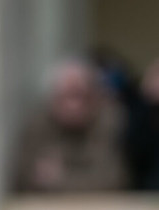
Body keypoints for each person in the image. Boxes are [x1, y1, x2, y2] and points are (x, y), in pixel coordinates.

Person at [13, 57, 128, 194]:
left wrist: (59, 181)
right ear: (53, 98)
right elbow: (25, 180)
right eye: (66, 96)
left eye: (79, 95)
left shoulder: (111, 122)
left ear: (94, 97)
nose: (73, 106)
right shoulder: (37, 126)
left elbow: (112, 182)